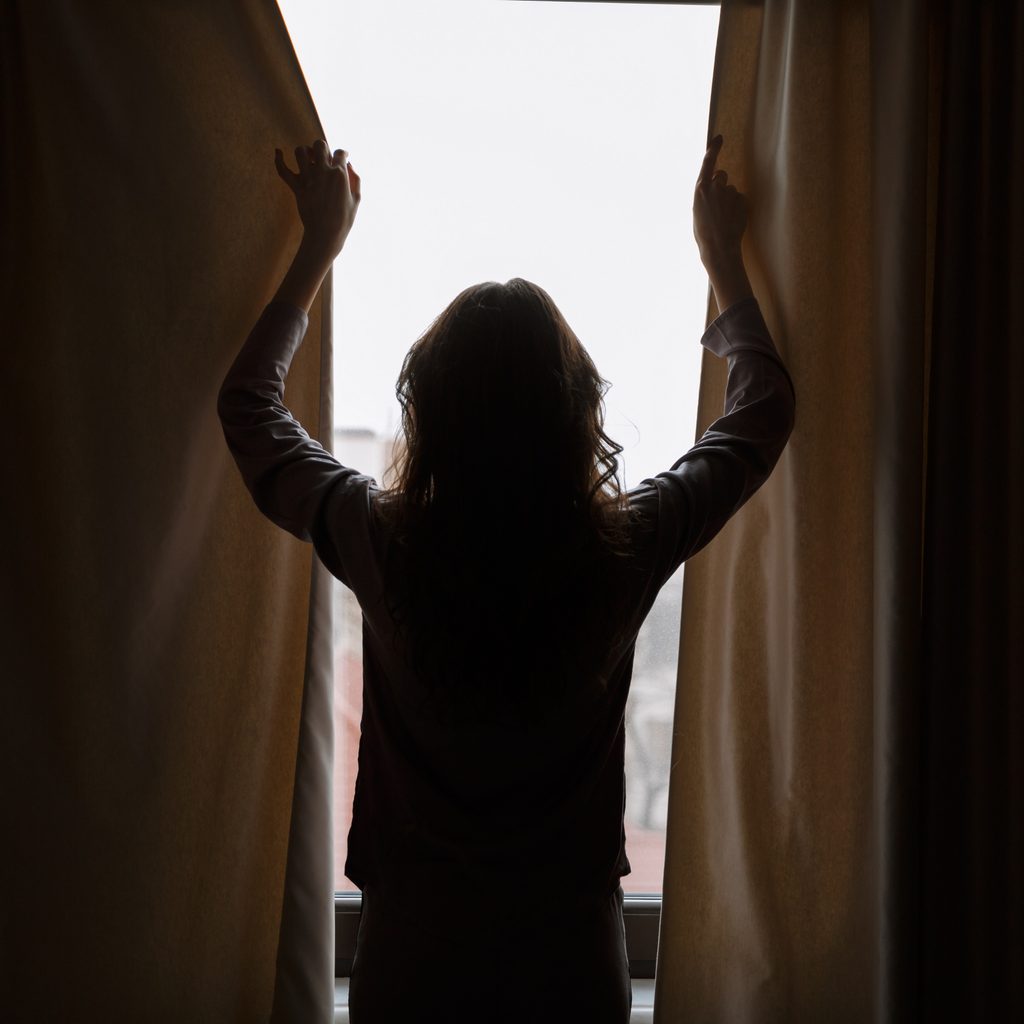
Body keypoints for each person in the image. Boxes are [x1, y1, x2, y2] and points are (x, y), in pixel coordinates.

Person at [218, 135, 795, 1023]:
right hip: (569, 956)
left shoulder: (381, 539)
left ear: (430, 413)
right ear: (577, 415)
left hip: (415, 953)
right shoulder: (625, 545)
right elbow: (761, 411)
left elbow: (250, 408)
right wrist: (722, 262)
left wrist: (316, 252)